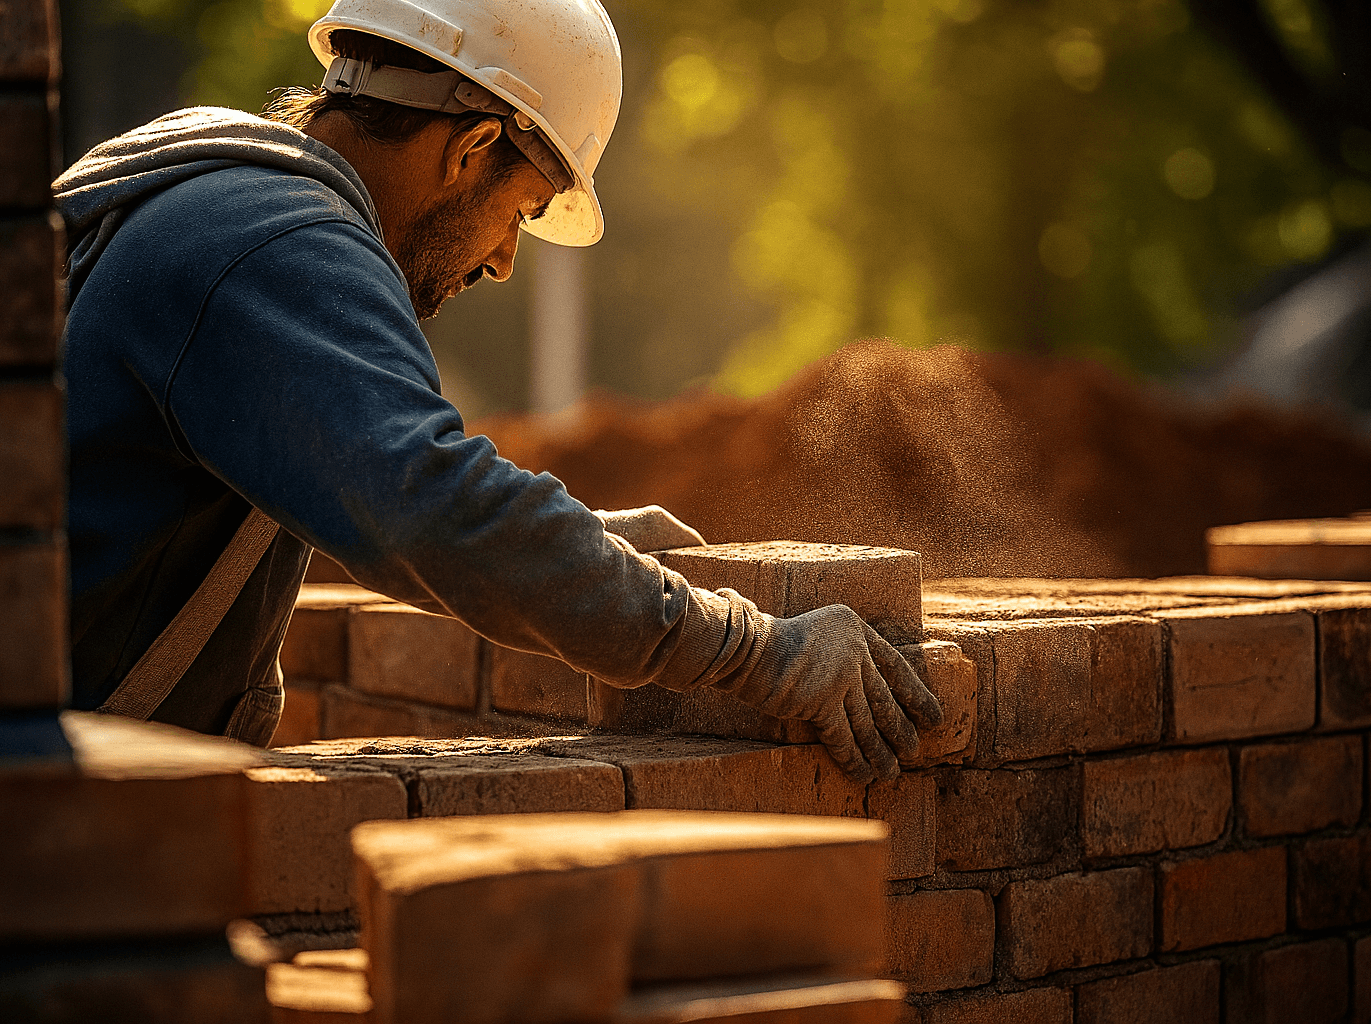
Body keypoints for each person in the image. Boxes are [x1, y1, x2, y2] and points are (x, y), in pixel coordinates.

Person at [53, 0, 941, 781]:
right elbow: (430, 507)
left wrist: (585, 549)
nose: (504, 260)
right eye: (518, 211)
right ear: (473, 147)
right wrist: (758, 649)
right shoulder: (275, 244)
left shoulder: (214, 198)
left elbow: (367, 487)